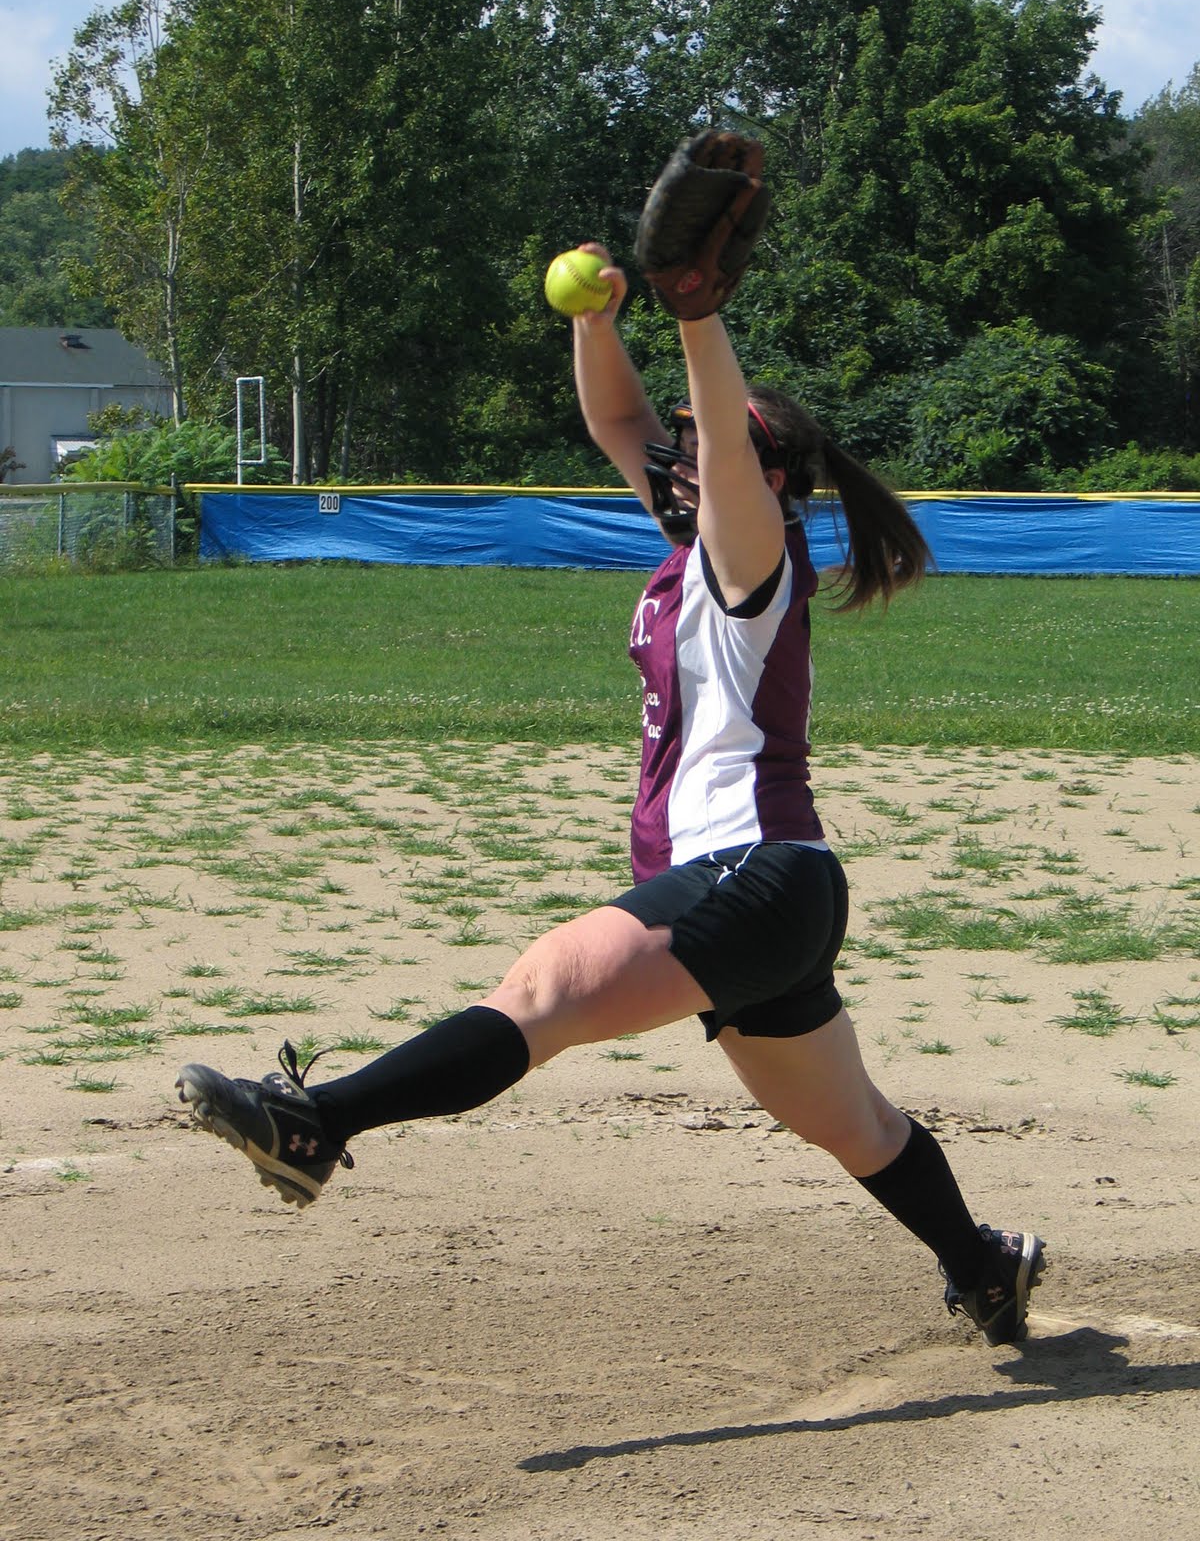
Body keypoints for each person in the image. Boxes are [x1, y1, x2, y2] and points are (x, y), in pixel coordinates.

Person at [177, 239, 1046, 1348]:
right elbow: (622, 422)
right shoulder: (699, 545)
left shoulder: (752, 551)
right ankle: (982, 1267)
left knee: (541, 991)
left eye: (706, 448)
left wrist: (696, 312)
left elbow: (715, 438)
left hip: (749, 871)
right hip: (768, 891)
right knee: (857, 1127)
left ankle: (318, 1123)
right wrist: (596, 322)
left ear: (767, 478)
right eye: (683, 447)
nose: (679, 459)